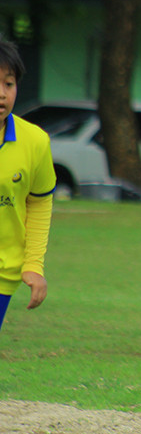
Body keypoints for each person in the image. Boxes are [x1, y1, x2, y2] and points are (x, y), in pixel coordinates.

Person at [0, 36, 56, 330]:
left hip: (2, 273)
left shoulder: (35, 141)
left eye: (8, 84)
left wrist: (34, 265)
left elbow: (40, 201)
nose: (2, 94)